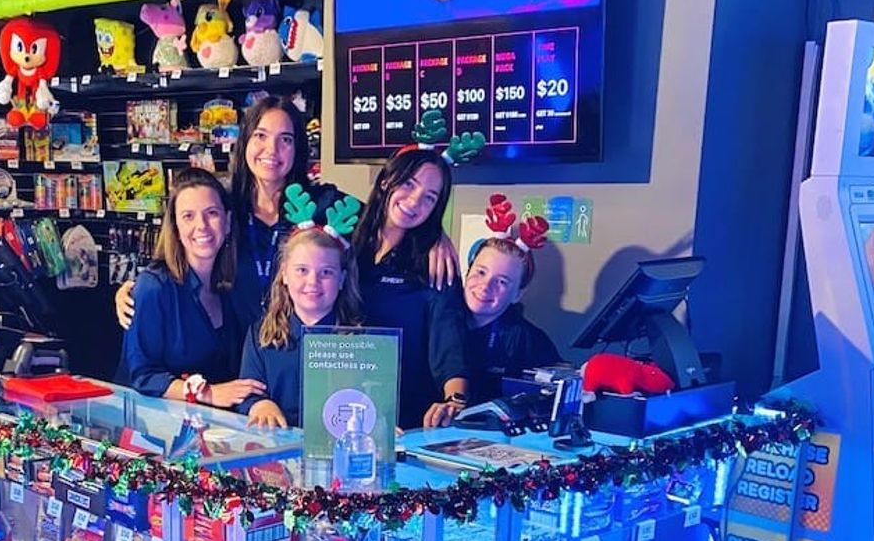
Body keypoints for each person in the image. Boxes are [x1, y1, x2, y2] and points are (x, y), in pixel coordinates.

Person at [114, 96, 461, 331]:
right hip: (234, 360)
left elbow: (389, 216)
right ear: (245, 142)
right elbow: (183, 243)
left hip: (302, 357)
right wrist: (139, 287)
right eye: (261, 136)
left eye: (286, 140)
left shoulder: (324, 204)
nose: (271, 150)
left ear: (298, 149)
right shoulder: (224, 206)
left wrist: (435, 236)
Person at [119, 168, 265, 406]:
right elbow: (143, 375)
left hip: (215, 429)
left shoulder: (232, 286)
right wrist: (208, 393)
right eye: (188, 216)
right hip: (155, 430)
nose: (202, 225)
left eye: (212, 213)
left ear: (227, 223)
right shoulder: (154, 288)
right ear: (175, 228)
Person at [351, 148, 469, 429]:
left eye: (430, 198)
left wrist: (455, 402)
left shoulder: (436, 264)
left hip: (406, 420)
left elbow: (450, 347)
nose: (415, 202)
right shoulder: (345, 238)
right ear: (386, 181)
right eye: (408, 184)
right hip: (339, 406)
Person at [237, 208, 364, 429]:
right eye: (302, 270)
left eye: (326, 272)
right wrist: (261, 404)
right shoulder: (261, 335)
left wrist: (379, 421)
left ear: (342, 279)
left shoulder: (363, 341)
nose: (313, 282)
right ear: (284, 274)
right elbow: (249, 393)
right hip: (278, 451)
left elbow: (373, 401)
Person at [462, 226, 561, 405]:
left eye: (502, 281)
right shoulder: (437, 319)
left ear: (517, 294)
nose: (485, 286)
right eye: (481, 272)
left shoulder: (530, 341)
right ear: (467, 272)